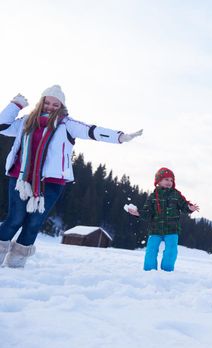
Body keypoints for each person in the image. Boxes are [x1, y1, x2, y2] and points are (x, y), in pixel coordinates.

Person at [0, 85, 143, 268]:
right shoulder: (26, 121)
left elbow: (92, 131)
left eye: (55, 104)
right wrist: (15, 105)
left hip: (50, 182)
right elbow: (2, 126)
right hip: (20, 178)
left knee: (34, 222)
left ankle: (15, 264)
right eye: (47, 102)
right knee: (15, 218)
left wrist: (120, 137)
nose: (50, 106)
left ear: (61, 106)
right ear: (41, 101)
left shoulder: (67, 124)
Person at [127, 167, 199, 272]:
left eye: (171, 180)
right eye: (166, 179)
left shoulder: (176, 194)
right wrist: (138, 213)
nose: (169, 182)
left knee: (171, 250)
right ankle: (149, 270)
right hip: (155, 229)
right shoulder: (152, 196)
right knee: (151, 250)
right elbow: (148, 213)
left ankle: (167, 270)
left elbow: (184, 205)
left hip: (172, 229)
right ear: (158, 181)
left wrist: (189, 208)